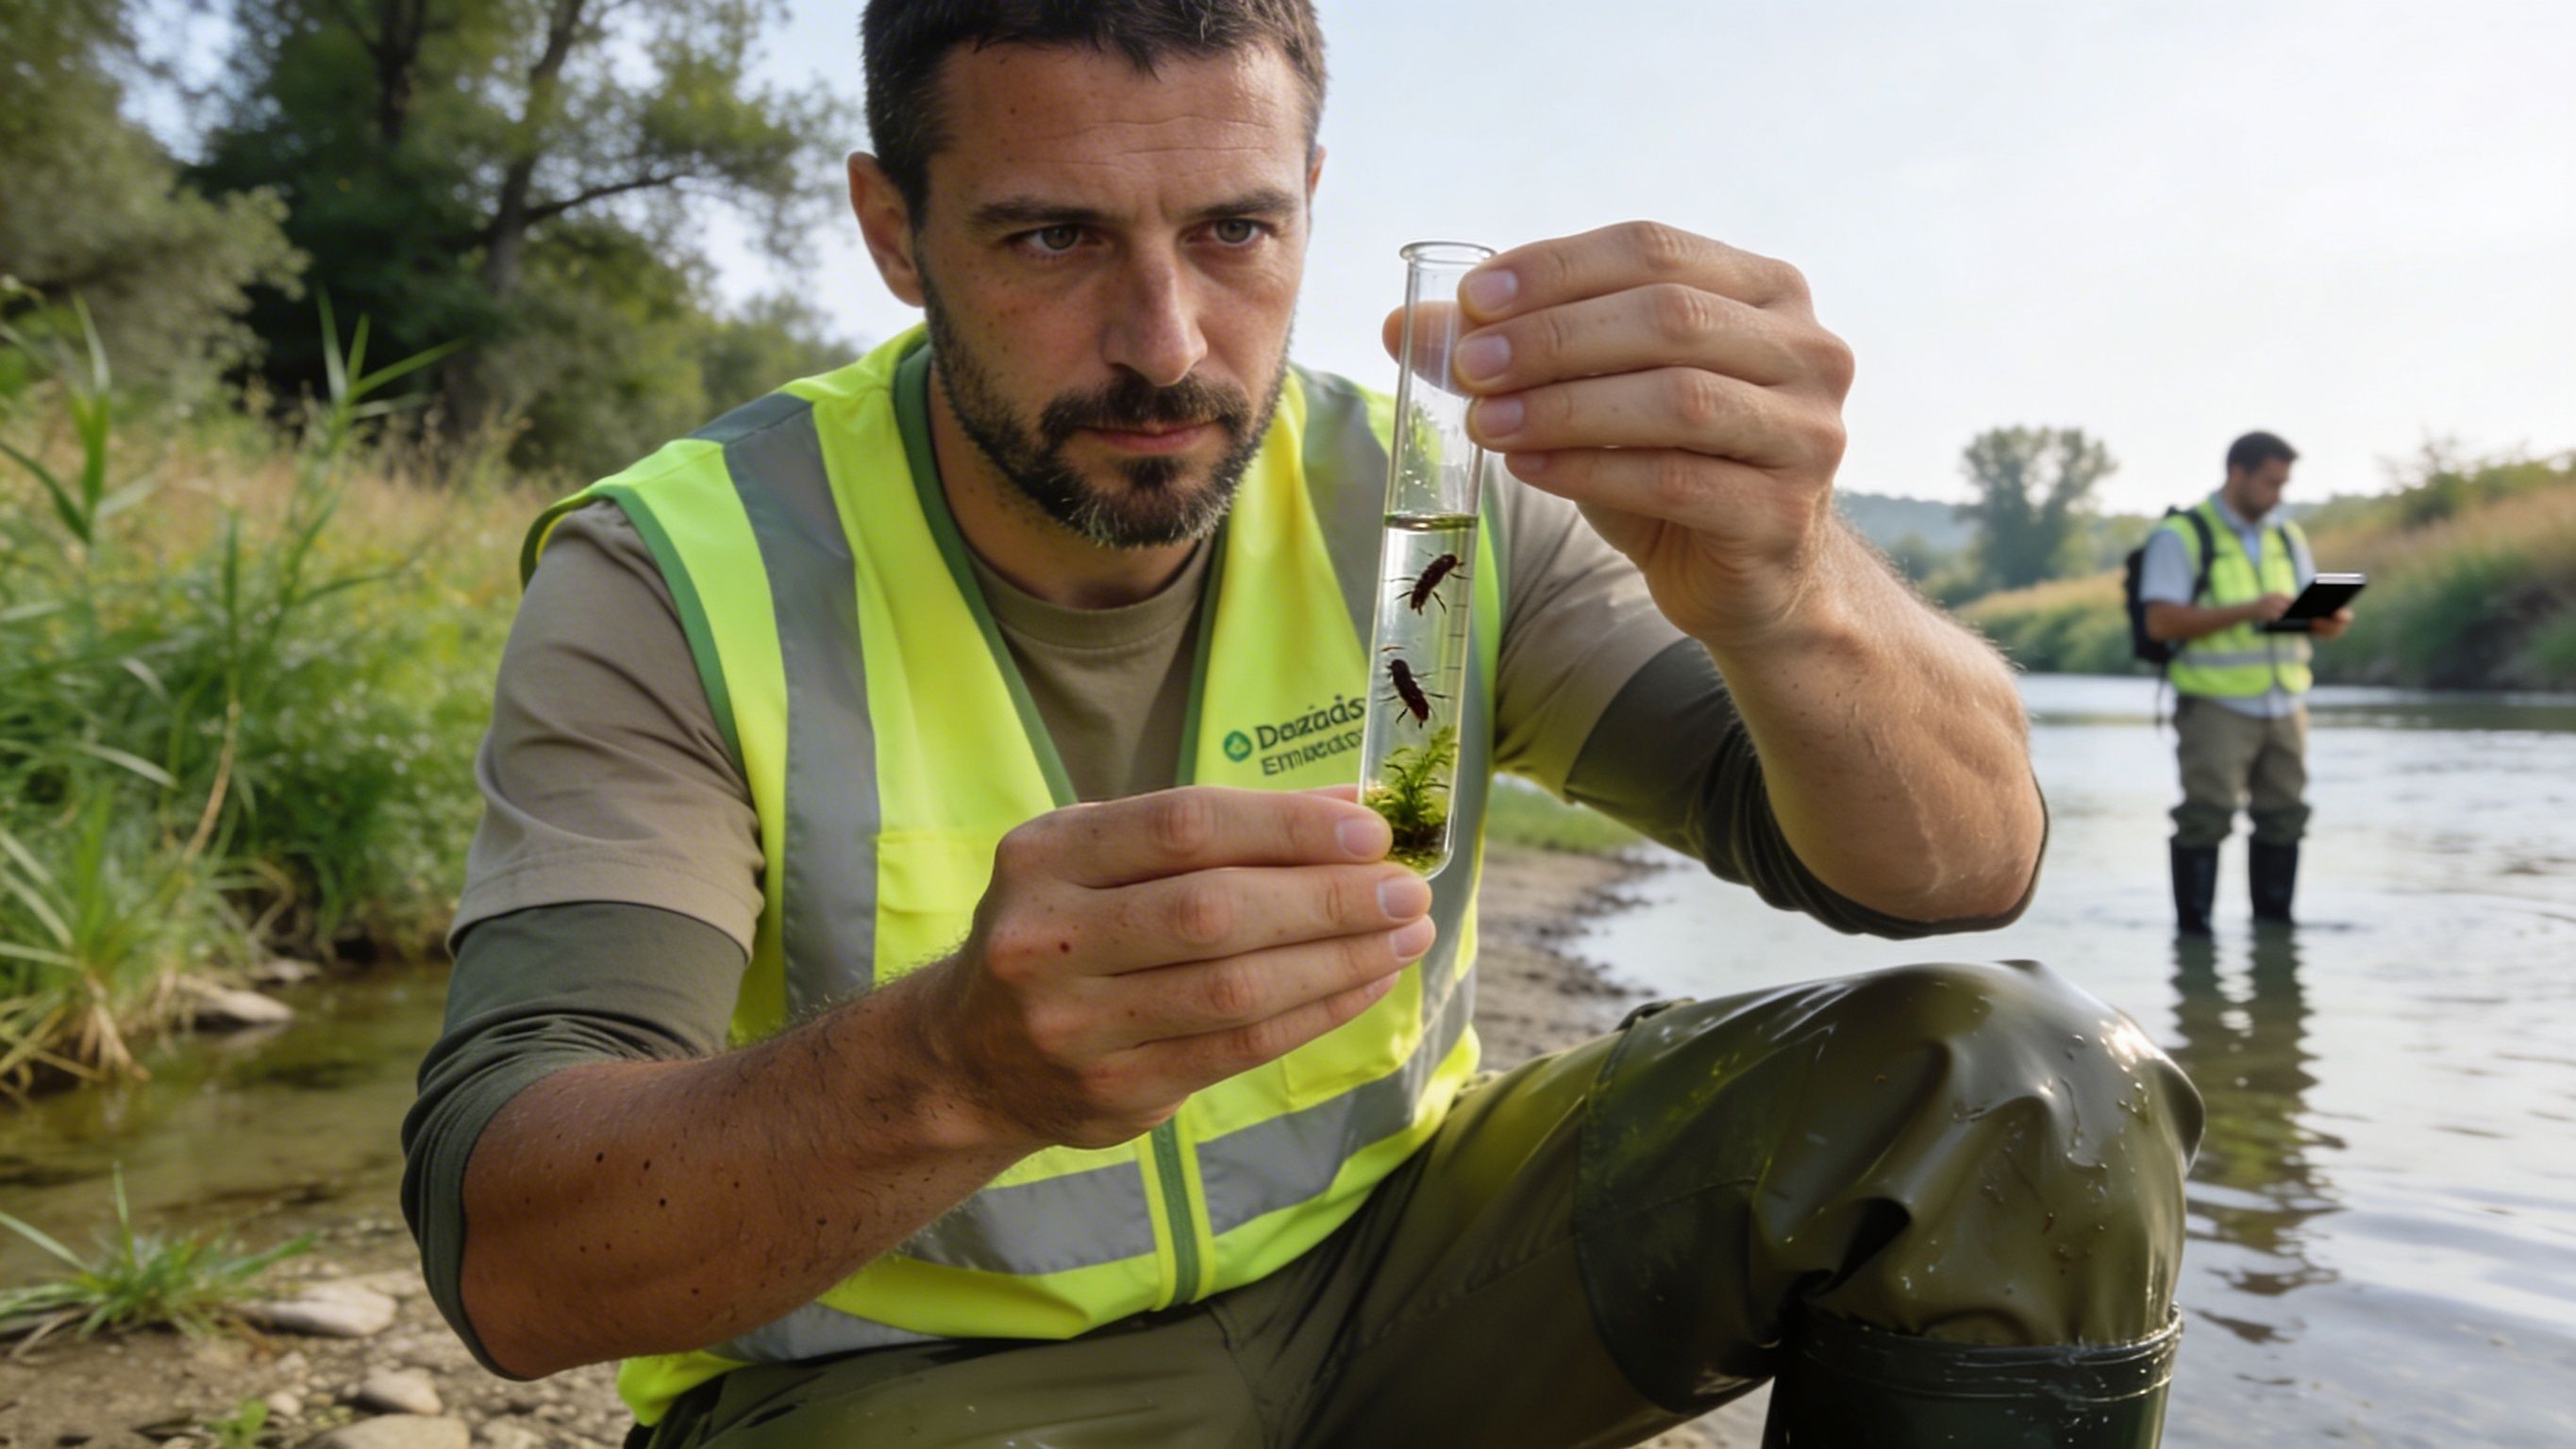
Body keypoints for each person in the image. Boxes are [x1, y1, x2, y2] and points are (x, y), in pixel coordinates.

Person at [401, 4, 2204, 1445]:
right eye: (1051, 235)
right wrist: (953, 1068)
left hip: (1411, 1283)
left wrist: (1794, 582)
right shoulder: (684, 572)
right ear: (895, 230)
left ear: (1317, 197)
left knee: (2016, 1089)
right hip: (910, 1386)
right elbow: (516, 1254)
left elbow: (1949, 873)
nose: (1170, 341)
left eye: (1237, 230)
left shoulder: (1416, 504)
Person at [2140, 431, 2352, 935]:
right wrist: (2248, 611)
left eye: (2283, 484)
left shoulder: (2286, 537)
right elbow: (2161, 623)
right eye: (2270, 482)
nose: (2278, 494)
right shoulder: (2181, 535)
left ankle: (2275, 935)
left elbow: (2304, 614)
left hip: (2286, 702)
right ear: (2238, 473)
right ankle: (2194, 940)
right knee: (2205, 818)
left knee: (2286, 816)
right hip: (2215, 704)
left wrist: (2327, 620)